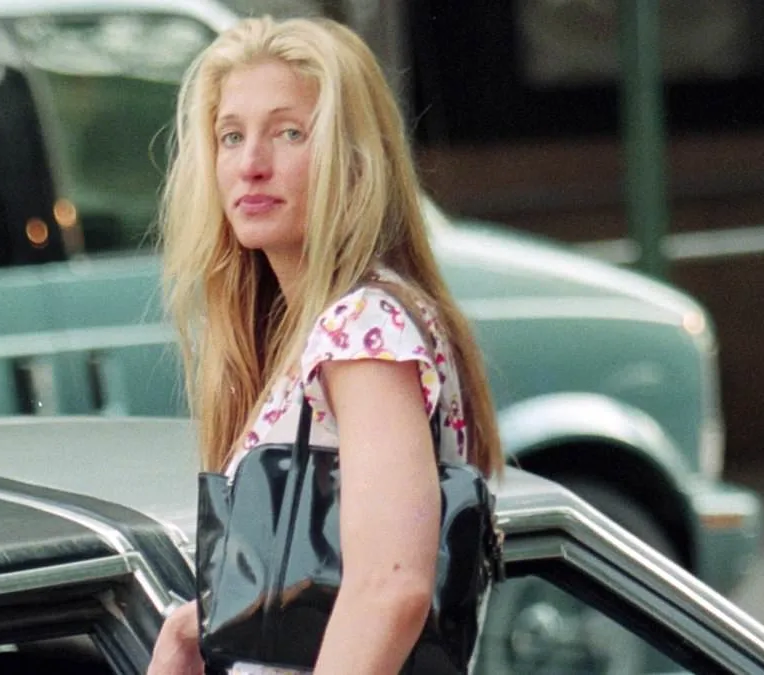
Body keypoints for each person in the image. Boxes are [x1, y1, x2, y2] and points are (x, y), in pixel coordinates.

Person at [147, 15, 503, 675]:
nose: (251, 165)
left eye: (289, 133)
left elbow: (390, 588)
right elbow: (328, 572)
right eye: (231, 136)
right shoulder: (317, 330)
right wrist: (191, 628)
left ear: (356, 160)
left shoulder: (363, 328)